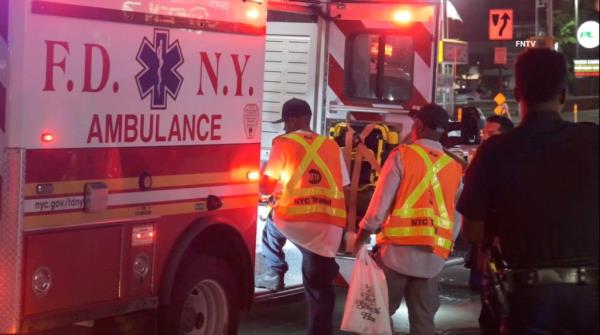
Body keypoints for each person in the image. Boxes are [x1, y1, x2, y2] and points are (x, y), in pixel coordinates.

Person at [458, 48, 599, 334]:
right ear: (563, 94)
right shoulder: (593, 141)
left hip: (527, 300)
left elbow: (472, 232)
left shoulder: (495, 151)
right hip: (591, 300)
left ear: (518, 92)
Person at [354, 103, 463, 334]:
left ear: (419, 126)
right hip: (432, 259)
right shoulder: (454, 167)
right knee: (424, 323)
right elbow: (456, 215)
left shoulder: (401, 156)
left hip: (396, 254)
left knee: (378, 317)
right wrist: (444, 248)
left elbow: (379, 205)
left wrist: (362, 236)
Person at [255, 98, 349, 335]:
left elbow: (267, 187)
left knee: (270, 229)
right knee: (319, 288)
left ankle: (274, 272)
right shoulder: (330, 146)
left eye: (286, 121)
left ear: (293, 119)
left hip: (294, 220)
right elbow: (344, 185)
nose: (284, 127)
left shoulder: (283, 143)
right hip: (329, 225)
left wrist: (257, 178)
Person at [466, 115, 514, 335]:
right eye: (484, 133)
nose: (485, 138)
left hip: (507, 256)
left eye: (491, 134)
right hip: (491, 253)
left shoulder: (507, 163)